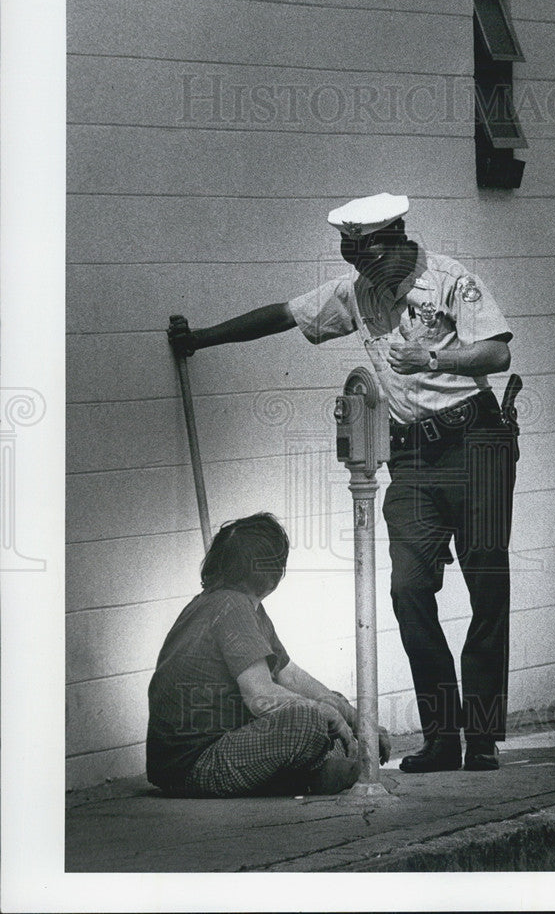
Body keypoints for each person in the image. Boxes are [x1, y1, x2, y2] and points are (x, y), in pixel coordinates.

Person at [168, 193, 517, 773]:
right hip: (411, 456)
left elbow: (497, 352)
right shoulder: (357, 293)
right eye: (352, 259)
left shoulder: (452, 280)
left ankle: (480, 738)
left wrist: (432, 361)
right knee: (407, 591)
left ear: (397, 240)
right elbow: (284, 315)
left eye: (369, 257)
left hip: (475, 442)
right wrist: (202, 339)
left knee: (486, 584)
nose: (362, 272)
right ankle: (441, 737)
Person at [146, 511, 390, 797]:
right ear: (273, 573)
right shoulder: (231, 606)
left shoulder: (234, 604)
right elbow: (261, 697)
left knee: (328, 700)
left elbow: (290, 675)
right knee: (310, 720)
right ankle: (312, 777)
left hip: (196, 759)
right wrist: (329, 715)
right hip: (195, 766)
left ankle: (317, 772)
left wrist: (356, 718)